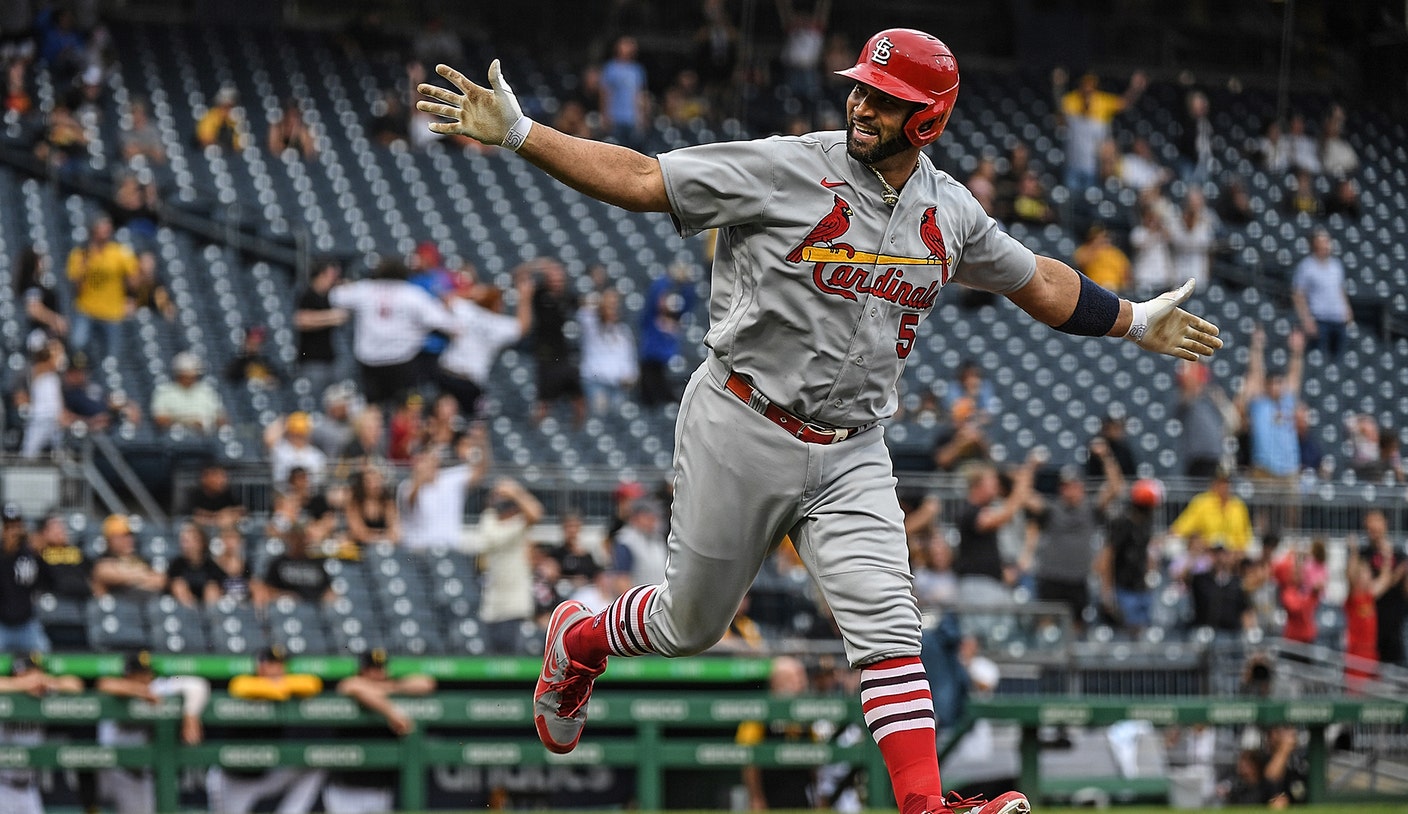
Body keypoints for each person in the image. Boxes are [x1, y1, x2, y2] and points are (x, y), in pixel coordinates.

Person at [419, 29, 1220, 814]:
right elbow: (641, 177)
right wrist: (522, 134)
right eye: (861, 87)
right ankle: (580, 640)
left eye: (886, 97)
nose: (862, 103)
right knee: (691, 624)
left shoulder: (951, 212)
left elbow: (1036, 280)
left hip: (852, 448)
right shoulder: (786, 166)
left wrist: (1133, 322)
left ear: (929, 119)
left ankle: (924, 806)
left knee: (889, 627)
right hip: (741, 419)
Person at [209, 647, 325, 814]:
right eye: (272, 664)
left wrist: (280, 687)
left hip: (267, 771)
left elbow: (312, 684)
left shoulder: (286, 683)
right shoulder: (244, 682)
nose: (277, 669)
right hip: (234, 777)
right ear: (260, 666)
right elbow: (240, 687)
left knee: (315, 766)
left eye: (280, 665)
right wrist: (278, 689)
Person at [328, 258, 457, 408]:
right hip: (402, 360)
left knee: (372, 407)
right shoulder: (411, 293)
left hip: (370, 361)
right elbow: (445, 322)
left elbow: (334, 296)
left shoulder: (365, 289)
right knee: (403, 408)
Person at [322, 649, 437, 814]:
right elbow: (351, 686)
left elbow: (427, 683)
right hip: (346, 789)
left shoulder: (389, 684)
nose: (378, 672)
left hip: (379, 789)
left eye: (380, 667)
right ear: (363, 669)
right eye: (373, 668)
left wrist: (388, 688)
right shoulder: (352, 683)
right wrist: (392, 713)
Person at [95, 651, 211, 814]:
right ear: (128, 674)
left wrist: (190, 715)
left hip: (137, 777)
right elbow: (105, 684)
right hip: (108, 771)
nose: (146, 678)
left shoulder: (157, 687)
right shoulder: (120, 686)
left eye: (147, 673)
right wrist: (140, 691)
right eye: (139, 674)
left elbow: (196, 683)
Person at [1021, 449, 1123, 633]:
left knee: (1076, 628)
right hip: (1050, 577)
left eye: (1074, 485)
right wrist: (1031, 466)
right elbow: (1024, 496)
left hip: (1077, 580)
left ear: (1081, 487)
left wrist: (1106, 456)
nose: (1070, 490)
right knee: (1046, 626)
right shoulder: (1051, 509)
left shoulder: (1091, 509)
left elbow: (1115, 487)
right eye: (1065, 486)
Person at [437, 268, 534, 418]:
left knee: (443, 417)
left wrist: (473, 292)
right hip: (470, 383)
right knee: (475, 427)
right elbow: (523, 327)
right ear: (498, 304)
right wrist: (525, 297)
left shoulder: (466, 310)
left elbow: (446, 297)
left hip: (447, 374)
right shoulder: (498, 324)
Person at [0, 653, 83, 814]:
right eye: (29, 673)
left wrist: (48, 683)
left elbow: (75, 684)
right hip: (3, 786)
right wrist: (23, 684)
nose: (35, 678)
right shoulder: (7, 692)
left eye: (38, 673)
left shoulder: (44, 692)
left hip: (29, 788)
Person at [477, 478, 545, 653]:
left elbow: (536, 512)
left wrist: (515, 492)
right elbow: (493, 532)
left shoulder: (518, 523)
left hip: (514, 607)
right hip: (492, 607)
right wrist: (501, 492)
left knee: (512, 666)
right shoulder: (490, 522)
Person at [1051, 68, 1147, 192]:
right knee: (1070, 199)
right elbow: (1060, 112)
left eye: (1091, 88)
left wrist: (1135, 88)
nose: (1087, 91)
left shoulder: (1101, 101)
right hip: (1073, 163)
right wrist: (1058, 86)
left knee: (1092, 197)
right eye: (1085, 87)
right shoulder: (1072, 100)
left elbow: (1125, 103)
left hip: (1094, 166)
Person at [66, 214, 138, 366]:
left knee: (113, 357)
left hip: (112, 311)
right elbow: (75, 284)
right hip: (86, 308)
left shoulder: (118, 252)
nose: (107, 231)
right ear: (94, 230)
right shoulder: (81, 254)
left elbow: (134, 279)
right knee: (76, 345)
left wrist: (132, 298)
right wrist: (84, 267)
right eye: (103, 228)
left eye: (108, 228)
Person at [397, 437, 489, 551]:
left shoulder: (450, 478)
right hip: (420, 550)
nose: (428, 464)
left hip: (451, 548)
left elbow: (479, 472)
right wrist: (420, 480)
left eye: (430, 459)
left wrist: (481, 443)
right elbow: (410, 502)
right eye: (423, 460)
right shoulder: (407, 485)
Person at [1099, 478, 1162, 635]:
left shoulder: (1147, 525)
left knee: (1144, 631)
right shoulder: (1122, 524)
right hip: (1123, 587)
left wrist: (1150, 576)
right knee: (1127, 632)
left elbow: (1148, 552)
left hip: (1141, 587)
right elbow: (1108, 557)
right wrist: (1107, 591)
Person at [639, 262, 698, 407]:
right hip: (651, 367)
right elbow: (653, 295)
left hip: (668, 369)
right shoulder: (652, 319)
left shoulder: (677, 318)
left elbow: (689, 300)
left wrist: (686, 283)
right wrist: (669, 277)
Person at [1291, 230, 1352, 361]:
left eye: (1327, 241)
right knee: (1317, 360)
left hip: (1338, 319)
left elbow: (1340, 289)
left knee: (1339, 359)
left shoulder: (1336, 265)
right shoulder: (1306, 266)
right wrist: (1306, 319)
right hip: (1319, 319)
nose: (1326, 245)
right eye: (1323, 242)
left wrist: (1347, 309)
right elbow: (1298, 295)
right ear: (1314, 244)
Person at [292, 259, 348, 399]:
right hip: (312, 361)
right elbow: (301, 320)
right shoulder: (307, 294)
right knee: (314, 399)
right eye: (331, 275)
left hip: (331, 358)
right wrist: (331, 317)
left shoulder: (331, 296)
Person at [578, 287, 638, 416]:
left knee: (619, 420)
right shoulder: (592, 325)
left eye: (615, 305)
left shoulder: (623, 331)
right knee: (598, 418)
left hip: (618, 386)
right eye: (610, 305)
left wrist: (631, 376)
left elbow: (629, 357)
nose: (613, 308)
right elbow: (583, 309)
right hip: (596, 384)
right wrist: (601, 301)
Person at [0, 504, 50, 653]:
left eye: (17, 526)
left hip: (27, 623)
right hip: (2, 623)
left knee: (45, 656)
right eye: (9, 527)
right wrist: (7, 556)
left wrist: (40, 555)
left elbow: (47, 582)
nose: (14, 532)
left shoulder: (30, 552)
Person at [1168, 469, 1252, 555]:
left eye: (1227, 483)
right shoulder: (1201, 502)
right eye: (1221, 483)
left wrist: (1239, 548)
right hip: (1206, 550)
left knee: (1253, 550)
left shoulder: (1238, 505)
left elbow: (1245, 534)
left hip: (1233, 552)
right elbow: (1185, 525)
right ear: (1214, 484)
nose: (1224, 487)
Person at [1363, 510, 1408, 668]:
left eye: (1377, 521)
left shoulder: (1400, 554)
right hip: (1371, 626)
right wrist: (1392, 574)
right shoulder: (1364, 555)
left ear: (1385, 523)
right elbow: (1368, 592)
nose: (1373, 526)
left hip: (1396, 626)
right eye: (1370, 521)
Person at [251, 524, 332, 608]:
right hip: (286, 607)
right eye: (293, 538)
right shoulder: (279, 563)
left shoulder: (317, 564)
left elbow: (327, 590)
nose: (297, 542)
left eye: (300, 538)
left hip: (313, 609)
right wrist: (282, 594)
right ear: (288, 539)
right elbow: (266, 588)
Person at [91, 514, 166, 599]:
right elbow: (103, 572)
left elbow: (160, 580)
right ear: (110, 539)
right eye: (122, 536)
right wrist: (141, 574)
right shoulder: (103, 559)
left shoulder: (140, 558)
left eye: (130, 535)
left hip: (142, 606)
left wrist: (125, 575)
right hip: (116, 607)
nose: (128, 540)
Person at [150, 351, 226, 434]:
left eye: (193, 373)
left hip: (207, 437)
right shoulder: (164, 391)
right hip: (178, 439)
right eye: (187, 374)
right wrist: (189, 423)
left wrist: (208, 424)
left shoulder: (207, 391)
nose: (191, 377)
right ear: (179, 373)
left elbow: (221, 418)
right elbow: (160, 419)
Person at [599, 35, 648, 148]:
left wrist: (642, 116)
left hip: (632, 119)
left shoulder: (637, 70)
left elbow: (639, 94)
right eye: (625, 45)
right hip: (615, 117)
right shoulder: (610, 68)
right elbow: (605, 93)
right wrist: (605, 115)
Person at [265, 411, 328, 489]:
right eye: (295, 434)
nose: (298, 438)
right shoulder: (281, 449)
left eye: (301, 435)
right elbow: (268, 439)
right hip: (283, 496)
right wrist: (282, 421)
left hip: (308, 497)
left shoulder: (317, 456)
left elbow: (319, 482)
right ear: (289, 433)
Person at [167, 522, 224, 606]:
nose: (186, 546)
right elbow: (171, 585)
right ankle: (191, 616)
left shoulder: (211, 565)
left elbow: (220, 584)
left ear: (201, 542)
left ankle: (212, 617)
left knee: (212, 589)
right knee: (179, 586)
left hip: (207, 603)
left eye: (189, 541)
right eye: (184, 541)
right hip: (185, 604)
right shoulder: (177, 564)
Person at [345, 462, 400, 546]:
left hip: (384, 547)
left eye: (377, 480)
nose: (374, 485)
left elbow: (394, 531)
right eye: (370, 481)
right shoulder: (355, 503)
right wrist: (381, 536)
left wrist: (379, 537)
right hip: (360, 548)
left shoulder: (388, 503)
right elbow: (358, 532)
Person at [1072, 222, 1130, 294]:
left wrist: (1125, 289)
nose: (1101, 239)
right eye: (1097, 237)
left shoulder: (1116, 253)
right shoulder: (1085, 250)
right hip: (1094, 289)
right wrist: (1095, 248)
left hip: (1115, 290)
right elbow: (1080, 263)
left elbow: (1126, 273)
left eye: (1104, 237)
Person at [196, 86, 244, 150]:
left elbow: (240, 144)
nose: (227, 110)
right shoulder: (210, 117)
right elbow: (206, 139)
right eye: (225, 106)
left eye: (230, 106)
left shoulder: (236, 119)